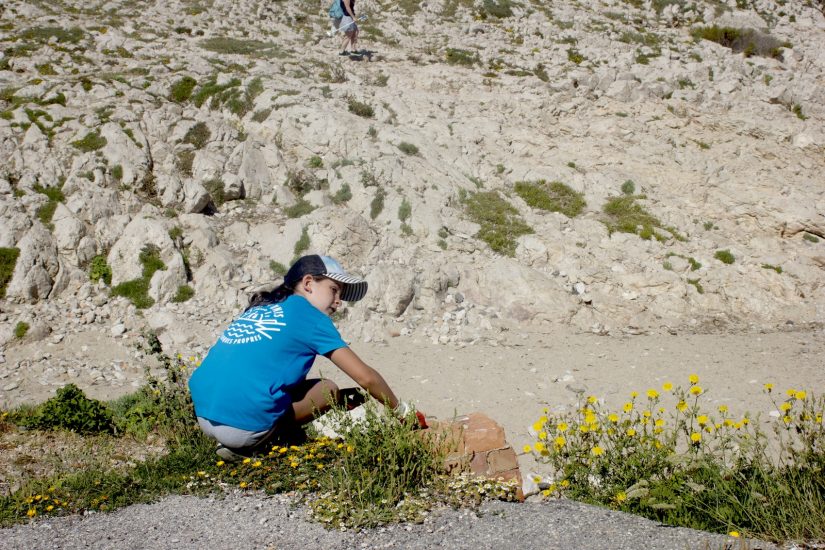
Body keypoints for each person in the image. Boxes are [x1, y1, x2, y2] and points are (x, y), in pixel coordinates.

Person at [189, 254, 418, 461]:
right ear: (308, 283)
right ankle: (257, 446)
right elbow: (366, 378)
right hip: (243, 427)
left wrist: (338, 403)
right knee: (328, 389)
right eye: (334, 290)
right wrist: (402, 412)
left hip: (204, 415)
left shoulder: (262, 307)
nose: (339, 301)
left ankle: (238, 441)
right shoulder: (309, 316)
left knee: (300, 389)